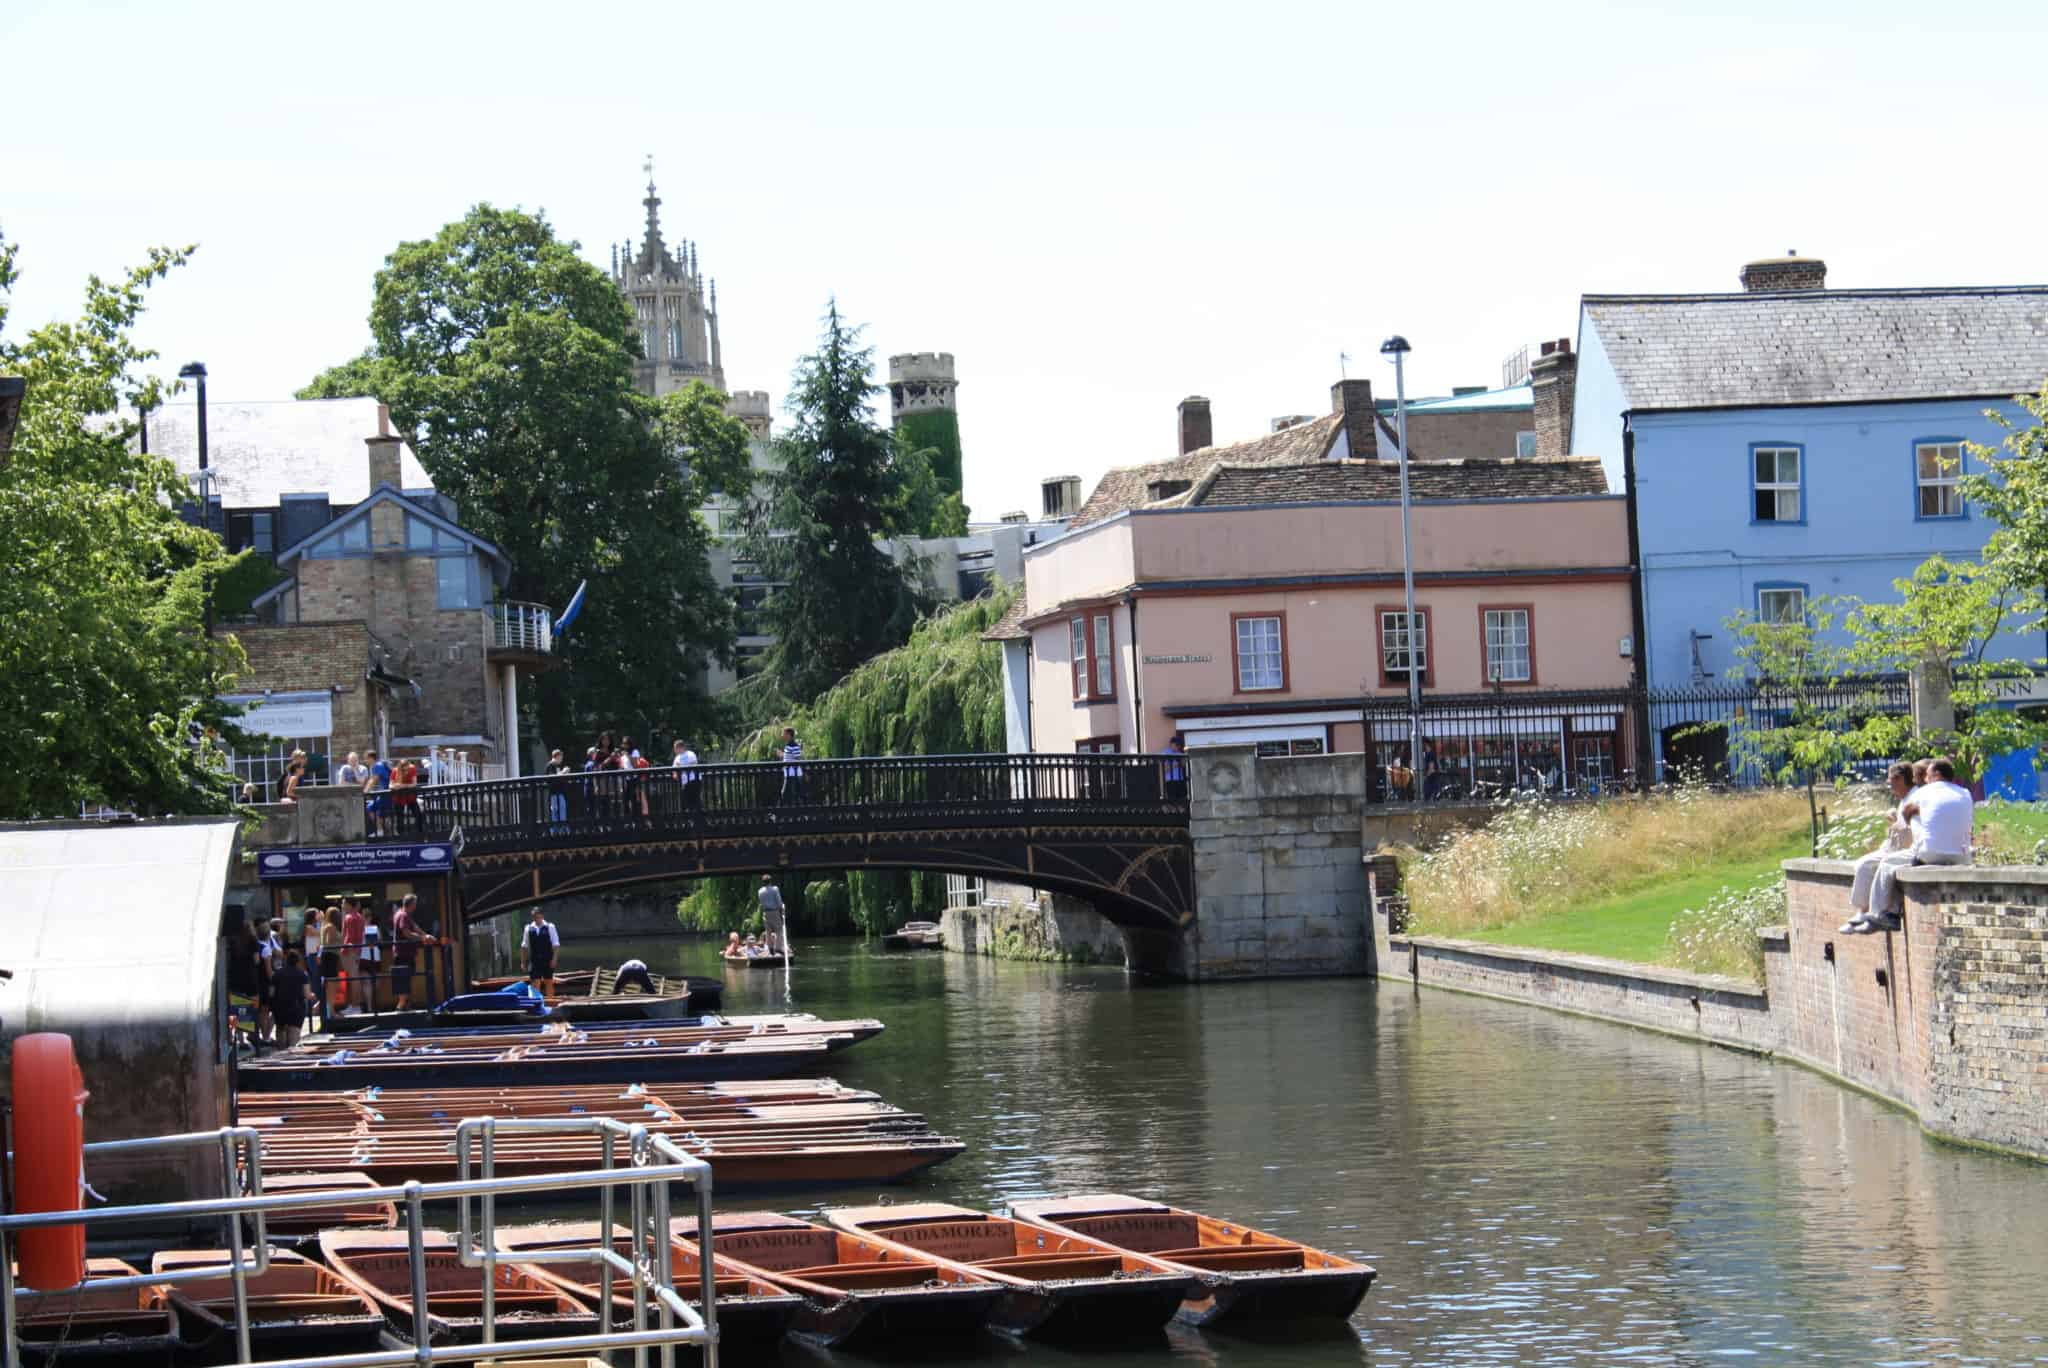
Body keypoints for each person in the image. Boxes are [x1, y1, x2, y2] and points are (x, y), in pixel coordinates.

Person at [1848, 756, 1974, 934]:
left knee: (1888, 864)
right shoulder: (1965, 793)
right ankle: (1887, 912)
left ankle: (1880, 914)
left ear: (1936, 774)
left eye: (1927, 776)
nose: (1924, 780)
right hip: (1963, 856)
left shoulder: (1923, 793)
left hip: (1930, 854)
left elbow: (1906, 815)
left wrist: (1911, 817)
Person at [1841, 762, 1917, 932]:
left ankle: (1872, 913)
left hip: (1903, 848)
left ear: (1901, 779)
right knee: (1862, 863)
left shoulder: (1914, 797)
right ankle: (1863, 911)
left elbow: (1910, 828)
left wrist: (1896, 823)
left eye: (1891, 782)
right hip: (1895, 846)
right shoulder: (1905, 798)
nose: (1890, 788)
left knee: (1867, 865)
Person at [390, 894, 435, 1010]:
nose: (416, 906)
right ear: (411, 904)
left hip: (406, 953)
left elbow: (415, 927)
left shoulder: (405, 915)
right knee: (403, 980)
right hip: (402, 953)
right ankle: (400, 1007)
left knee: (406, 979)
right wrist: (423, 938)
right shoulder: (403, 915)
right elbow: (406, 933)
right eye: (415, 904)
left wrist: (426, 935)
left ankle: (404, 1005)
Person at [271, 950, 313, 1049]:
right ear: (298, 961)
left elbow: (271, 993)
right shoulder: (302, 974)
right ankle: (292, 1054)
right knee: (294, 1036)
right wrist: (312, 995)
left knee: (280, 1031)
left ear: (286, 960)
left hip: (280, 1007)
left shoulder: (277, 974)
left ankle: (280, 1054)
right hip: (296, 1007)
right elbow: (307, 994)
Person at [521, 907, 560, 997]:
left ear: (542, 916)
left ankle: (551, 1004)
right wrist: (523, 962)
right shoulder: (528, 928)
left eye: (538, 916)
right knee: (535, 983)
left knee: (548, 982)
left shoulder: (550, 927)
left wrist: (554, 959)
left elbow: (556, 944)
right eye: (534, 917)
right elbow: (524, 946)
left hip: (547, 959)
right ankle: (537, 1004)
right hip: (534, 960)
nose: (536, 919)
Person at [339, 897, 367, 1014]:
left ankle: (355, 1006)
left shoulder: (350, 917)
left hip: (350, 951)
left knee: (353, 979)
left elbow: (347, 936)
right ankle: (355, 1006)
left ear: (350, 905)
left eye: (344, 903)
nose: (342, 905)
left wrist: (344, 949)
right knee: (354, 979)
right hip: (356, 951)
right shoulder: (359, 917)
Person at [320, 906, 346, 1019]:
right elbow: (328, 942)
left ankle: (329, 1010)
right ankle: (331, 1012)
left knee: (332, 986)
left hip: (331, 957)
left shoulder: (326, 926)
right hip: (330, 957)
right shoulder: (331, 927)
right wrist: (340, 942)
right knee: (331, 986)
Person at [363, 749, 393, 837]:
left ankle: (382, 831)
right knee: (374, 809)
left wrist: (365, 792)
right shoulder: (379, 765)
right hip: (386, 794)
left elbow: (373, 780)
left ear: (371, 758)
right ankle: (387, 832)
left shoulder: (377, 766)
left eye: (366, 759)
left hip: (386, 794)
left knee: (373, 808)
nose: (365, 761)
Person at [757, 875, 788, 957]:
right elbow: (778, 901)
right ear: (770, 881)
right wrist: (782, 907)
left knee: (768, 931)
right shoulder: (775, 889)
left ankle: (770, 949)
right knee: (779, 930)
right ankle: (778, 949)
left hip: (765, 913)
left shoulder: (760, 891)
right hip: (774, 912)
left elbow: (761, 903)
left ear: (763, 882)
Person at [673, 740, 702, 817]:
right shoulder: (677, 758)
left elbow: (693, 764)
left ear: (680, 748)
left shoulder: (690, 754)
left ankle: (698, 819)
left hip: (694, 780)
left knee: (695, 801)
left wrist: (681, 766)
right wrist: (676, 775)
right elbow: (674, 772)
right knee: (686, 803)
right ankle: (689, 820)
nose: (674, 751)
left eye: (675, 748)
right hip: (684, 783)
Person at [546, 749, 573, 826]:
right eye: (561, 757)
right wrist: (564, 772)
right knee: (555, 812)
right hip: (554, 793)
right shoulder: (550, 766)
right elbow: (552, 777)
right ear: (557, 756)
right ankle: (555, 830)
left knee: (562, 811)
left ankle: (562, 828)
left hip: (560, 792)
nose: (561, 759)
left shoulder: (557, 766)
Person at [779, 728, 806, 806]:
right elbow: (790, 757)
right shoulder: (789, 745)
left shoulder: (793, 745)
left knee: (788, 794)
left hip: (793, 774)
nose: (782, 736)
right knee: (790, 795)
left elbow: (797, 758)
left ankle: (793, 814)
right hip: (789, 774)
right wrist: (782, 755)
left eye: (784, 734)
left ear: (789, 735)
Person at [1162, 735, 1189, 801]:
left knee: (1182, 800)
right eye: (1176, 744)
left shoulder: (1180, 753)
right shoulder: (1166, 753)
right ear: (1171, 744)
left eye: (1179, 745)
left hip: (1180, 780)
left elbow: (1184, 764)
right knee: (1173, 801)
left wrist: (1182, 762)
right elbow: (1165, 769)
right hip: (1170, 781)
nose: (1178, 746)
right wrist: (1176, 764)